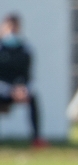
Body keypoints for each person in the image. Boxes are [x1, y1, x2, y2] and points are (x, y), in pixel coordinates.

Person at [0, 13, 47, 148]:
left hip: (19, 91)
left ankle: (36, 139)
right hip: (3, 90)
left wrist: (24, 89)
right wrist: (9, 90)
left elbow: (28, 76)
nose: (12, 31)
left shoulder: (25, 49)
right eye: (9, 27)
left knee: (33, 98)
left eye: (15, 27)